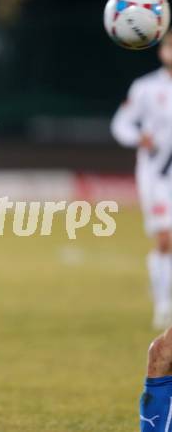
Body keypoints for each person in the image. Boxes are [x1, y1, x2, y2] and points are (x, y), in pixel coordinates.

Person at [111, 29, 172, 330]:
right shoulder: (146, 88)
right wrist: (139, 137)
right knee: (165, 240)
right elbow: (120, 124)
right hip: (156, 177)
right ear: (162, 51)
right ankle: (163, 306)